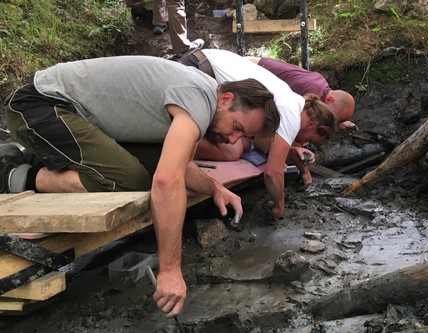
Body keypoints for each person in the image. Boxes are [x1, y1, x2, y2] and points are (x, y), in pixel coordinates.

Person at [1, 55, 280, 317]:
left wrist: (214, 188)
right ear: (226, 99)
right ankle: (14, 174)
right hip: (38, 107)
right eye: (237, 127)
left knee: (146, 168)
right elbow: (166, 181)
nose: (234, 141)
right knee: (128, 180)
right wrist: (170, 270)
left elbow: (179, 166)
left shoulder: (202, 97)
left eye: (243, 136)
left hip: (72, 116)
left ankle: (40, 158)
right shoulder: (199, 98)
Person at [179, 49, 337, 219]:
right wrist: (279, 207)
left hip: (202, 62)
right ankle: (175, 146)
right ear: (312, 124)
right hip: (198, 71)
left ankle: (184, 141)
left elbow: (260, 143)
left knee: (243, 143)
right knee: (231, 150)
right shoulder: (291, 112)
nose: (304, 142)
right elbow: (273, 173)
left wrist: (291, 151)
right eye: (309, 139)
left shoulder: (291, 101)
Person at [245, 56, 356, 131]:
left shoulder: (322, 87)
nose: (330, 121)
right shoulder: (313, 91)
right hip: (246, 70)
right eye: (333, 118)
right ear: (330, 100)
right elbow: (291, 123)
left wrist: (337, 125)